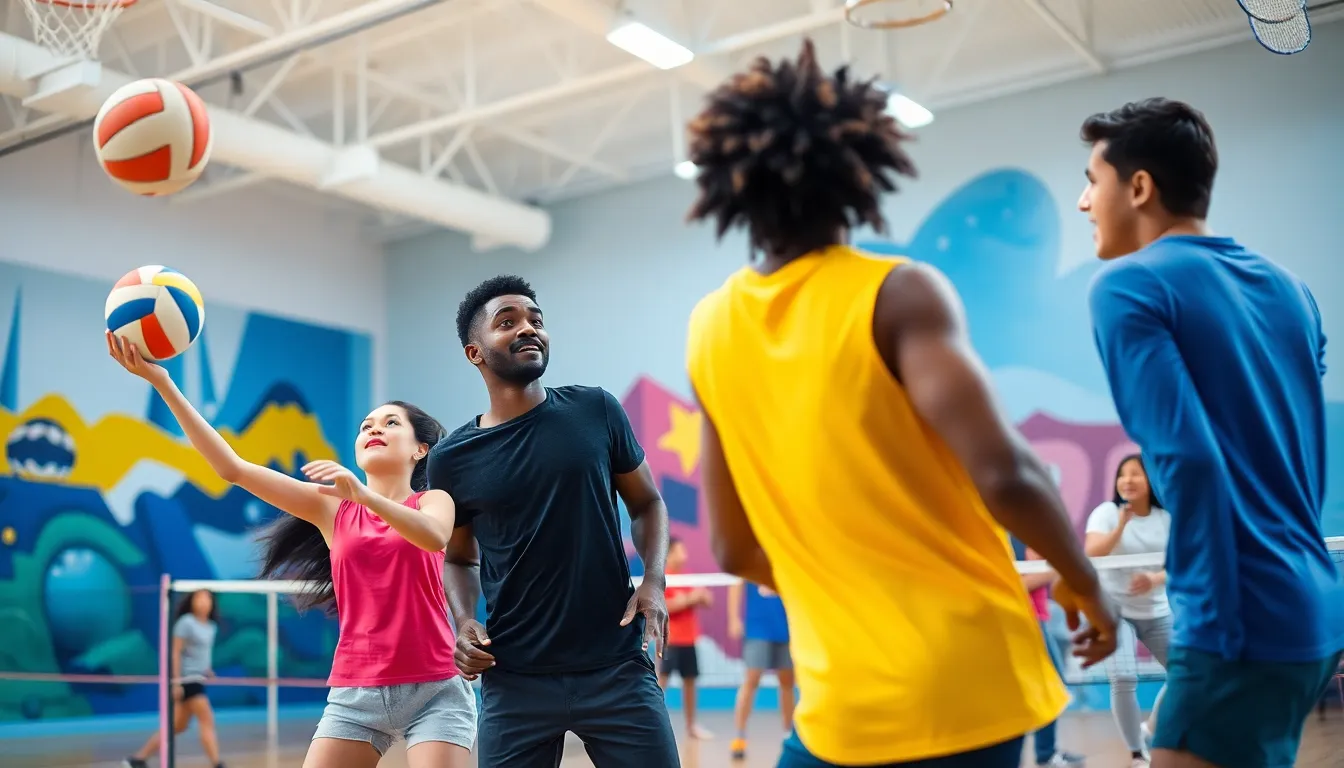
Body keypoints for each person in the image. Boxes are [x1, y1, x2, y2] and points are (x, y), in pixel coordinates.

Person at [682, 39, 1119, 768]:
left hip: (836, 705)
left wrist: (843, 587)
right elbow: (1009, 474)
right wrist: (1087, 583)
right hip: (966, 682)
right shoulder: (898, 293)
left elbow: (731, 547)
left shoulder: (709, 328)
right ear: (860, 177)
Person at [1080, 97, 1344, 768]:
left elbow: (1187, 459)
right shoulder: (1293, 290)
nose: (1084, 203)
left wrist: (1213, 630)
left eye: (1092, 181)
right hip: (1312, 604)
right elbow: (1301, 457)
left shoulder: (1127, 287)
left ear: (1139, 187)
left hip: (1236, 617)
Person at [104, 333, 476, 768]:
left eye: (391, 423)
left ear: (420, 449)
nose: (374, 428)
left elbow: (432, 537)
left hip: (435, 688)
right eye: (366, 426)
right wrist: (163, 382)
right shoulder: (331, 508)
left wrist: (365, 497)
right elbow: (231, 468)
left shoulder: (433, 501)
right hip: (356, 692)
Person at [428, 275, 680, 768]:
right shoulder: (451, 458)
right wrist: (462, 621)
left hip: (616, 667)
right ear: (475, 353)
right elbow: (458, 558)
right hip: (513, 676)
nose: (528, 329)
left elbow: (648, 503)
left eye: (535, 320)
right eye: (507, 322)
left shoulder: (596, 409)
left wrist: (654, 579)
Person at [1084, 454, 1171, 767]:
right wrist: (1121, 525)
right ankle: (1136, 754)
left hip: (1156, 610)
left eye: (1136, 474)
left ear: (1151, 480)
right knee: (1122, 677)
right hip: (1114, 611)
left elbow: (1182, 562)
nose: (1128, 480)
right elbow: (1091, 553)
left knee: (1186, 673)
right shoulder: (1105, 513)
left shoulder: (1166, 518)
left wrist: (1154, 579)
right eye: (1123, 474)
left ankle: (1149, 730)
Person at [124, 590, 225, 768]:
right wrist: (176, 682)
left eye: (207, 599)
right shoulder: (186, 623)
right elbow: (175, 652)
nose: (203, 602)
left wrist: (207, 670)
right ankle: (217, 764)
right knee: (206, 719)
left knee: (177, 726)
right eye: (199, 598)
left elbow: (202, 653)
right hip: (187, 680)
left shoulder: (211, 627)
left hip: (199, 678)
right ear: (191, 602)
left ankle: (137, 759)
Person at [1020, 551, 1087, 768]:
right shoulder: (1017, 542)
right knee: (1052, 682)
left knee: (1050, 683)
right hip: (1027, 620)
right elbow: (1019, 584)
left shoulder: (1032, 541)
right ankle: (1046, 753)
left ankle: (1046, 752)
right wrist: (1057, 568)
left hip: (1037, 618)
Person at [726, 579, 793, 762]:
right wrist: (733, 618)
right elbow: (736, 583)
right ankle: (740, 735)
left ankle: (789, 734)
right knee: (751, 679)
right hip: (758, 627)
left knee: (787, 681)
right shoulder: (752, 560)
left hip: (786, 625)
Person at [659, 537, 714, 740]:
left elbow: (707, 600)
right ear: (669, 554)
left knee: (690, 682)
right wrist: (688, 599)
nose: (684, 555)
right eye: (680, 551)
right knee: (660, 682)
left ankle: (691, 726)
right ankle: (652, 724)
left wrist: (699, 597)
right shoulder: (662, 578)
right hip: (669, 640)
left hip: (689, 640)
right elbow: (664, 606)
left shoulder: (688, 577)